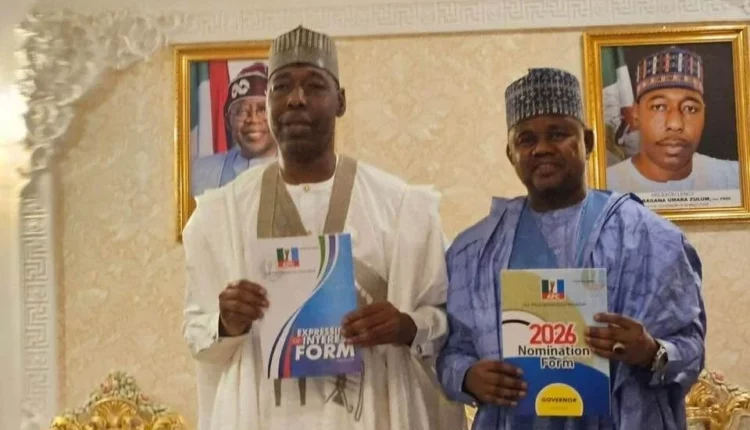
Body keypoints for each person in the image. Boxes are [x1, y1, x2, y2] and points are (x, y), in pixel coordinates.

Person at [182, 25, 465, 430]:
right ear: (269, 101)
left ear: (340, 101)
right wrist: (226, 323)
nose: (296, 98)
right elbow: (197, 333)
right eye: (281, 87)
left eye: (314, 86)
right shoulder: (219, 215)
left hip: (371, 414)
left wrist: (405, 326)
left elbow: (446, 322)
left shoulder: (402, 209)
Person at [437, 68, 706, 429]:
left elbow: (690, 347)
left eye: (558, 134)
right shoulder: (474, 252)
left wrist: (651, 351)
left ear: (588, 141)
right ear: (511, 153)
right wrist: (468, 377)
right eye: (526, 139)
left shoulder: (653, 240)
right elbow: (450, 350)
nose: (542, 148)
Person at [607, 47, 739, 193]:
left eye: (690, 108)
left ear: (704, 113)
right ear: (636, 113)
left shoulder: (737, 179)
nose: (675, 124)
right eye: (659, 107)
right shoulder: (604, 186)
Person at [191, 62, 278, 197]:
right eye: (242, 111)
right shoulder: (198, 174)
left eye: (263, 110)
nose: (253, 119)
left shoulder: (304, 175)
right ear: (228, 121)